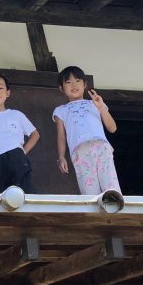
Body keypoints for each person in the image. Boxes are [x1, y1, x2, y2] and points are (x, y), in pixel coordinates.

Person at [53, 65, 121, 195]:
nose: (74, 85)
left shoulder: (95, 103)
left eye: (78, 80)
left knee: (110, 185)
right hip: (80, 150)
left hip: (101, 146)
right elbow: (61, 136)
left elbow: (112, 128)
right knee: (89, 191)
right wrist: (61, 157)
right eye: (68, 82)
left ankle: (114, 204)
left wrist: (101, 107)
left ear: (85, 84)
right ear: (61, 88)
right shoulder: (60, 110)